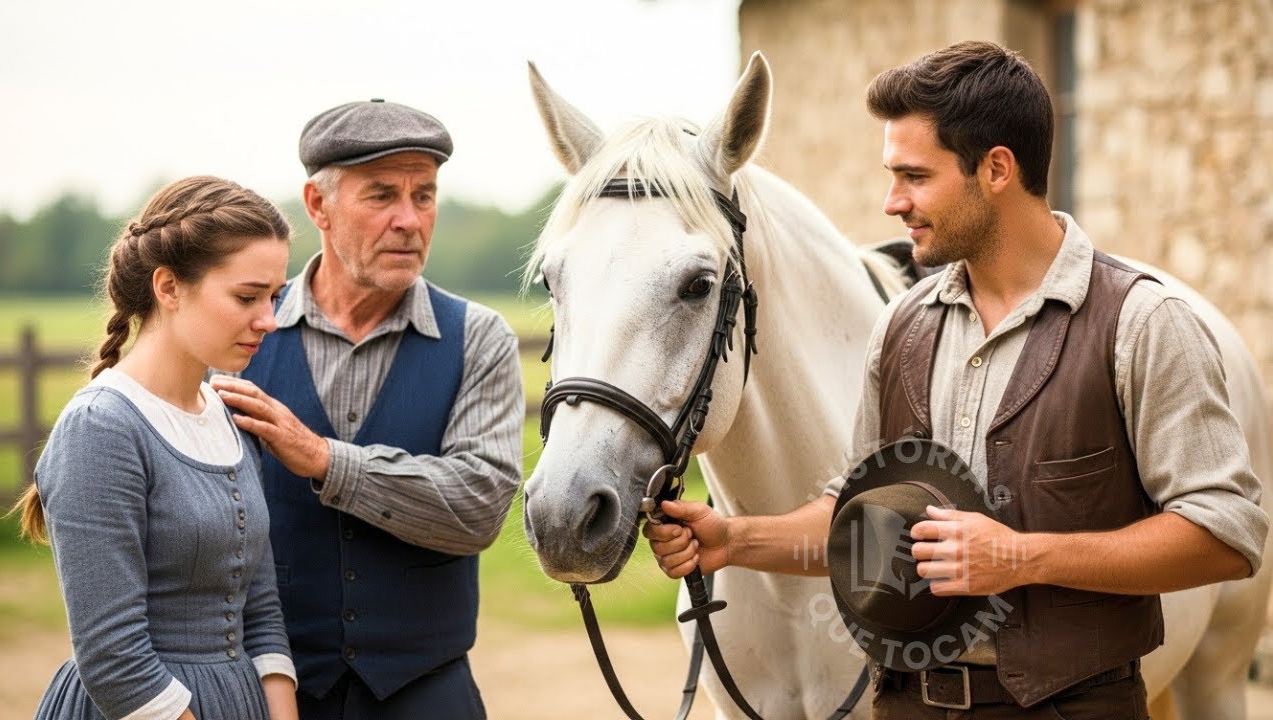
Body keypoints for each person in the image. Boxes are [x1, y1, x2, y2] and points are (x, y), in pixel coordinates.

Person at [646, 41, 1267, 717]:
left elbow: (1224, 533)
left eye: (915, 176)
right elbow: (859, 522)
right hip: (909, 705)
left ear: (996, 168)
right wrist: (734, 542)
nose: (891, 203)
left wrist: (1024, 558)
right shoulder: (901, 327)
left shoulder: (1146, 323)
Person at [208, 98, 523, 720]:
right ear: (318, 205)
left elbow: (480, 505)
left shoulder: (479, 338)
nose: (409, 220)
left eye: (424, 196)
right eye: (381, 196)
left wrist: (324, 459)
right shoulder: (241, 334)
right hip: (269, 690)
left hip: (427, 690)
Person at [14, 176, 297, 720]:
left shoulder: (228, 415)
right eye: (247, 296)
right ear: (168, 287)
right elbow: (114, 658)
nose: (269, 319)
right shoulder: (102, 428)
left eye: (274, 296)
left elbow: (259, 609)